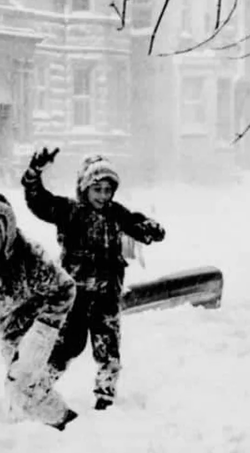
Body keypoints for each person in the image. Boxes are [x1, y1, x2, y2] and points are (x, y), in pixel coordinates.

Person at [21, 149, 166, 410]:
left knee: (107, 345)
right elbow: (39, 202)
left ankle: (105, 396)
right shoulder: (70, 211)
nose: (102, 195)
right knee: (68, 345)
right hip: (76, 295)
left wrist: (149, 229)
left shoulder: (116, 213)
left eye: (107, 190)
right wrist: (34, 174)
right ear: (84, 188)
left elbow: (135, 222)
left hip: (107, 295)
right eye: (96, 189)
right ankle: (40, 386)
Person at [0, 192, 80, 430]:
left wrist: (41, 336)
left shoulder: (29, 256)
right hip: (9, 334)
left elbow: (64, 288)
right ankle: (63, 428)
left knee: (21, 389)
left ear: (7, 229)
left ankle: (66, 428)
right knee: (23, 397)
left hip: (49, 331)